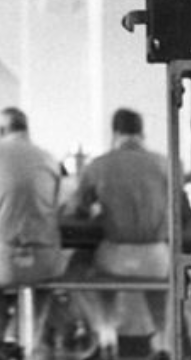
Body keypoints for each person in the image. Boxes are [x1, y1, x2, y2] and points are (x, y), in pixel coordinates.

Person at [63, 109, 170, 360]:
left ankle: (106, 336)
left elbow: (76, 210)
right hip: (157, 256)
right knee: (160, 292)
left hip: (117, 256)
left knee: (78, 271)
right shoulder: (166, 163)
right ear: (142, 133)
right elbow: (183, 210)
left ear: (115, 134)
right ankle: (163, 344)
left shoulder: (99, 165)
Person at [0, 107, 66, 358]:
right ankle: (14, 338)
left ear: (1, 130)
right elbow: (58, 204)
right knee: (44, 284)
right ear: (26, 129)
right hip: (43, 259)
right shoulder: (49, 159)